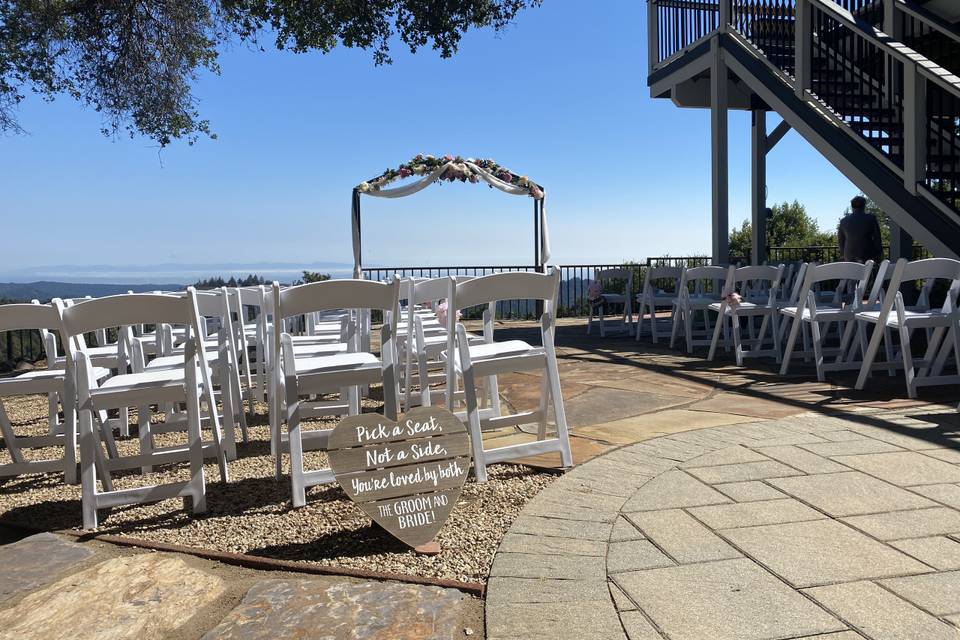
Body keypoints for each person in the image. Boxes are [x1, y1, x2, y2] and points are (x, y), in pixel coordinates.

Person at [838, 195, 883, 263]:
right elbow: (877, 238)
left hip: (849, 256)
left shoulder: (843, 221)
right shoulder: (871, 218)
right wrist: (878, 255)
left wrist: (843, 255)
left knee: (852, 273)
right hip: (867, 255)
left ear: (852, 207)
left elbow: (841, 241)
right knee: (868, 273)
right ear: (864, 206)